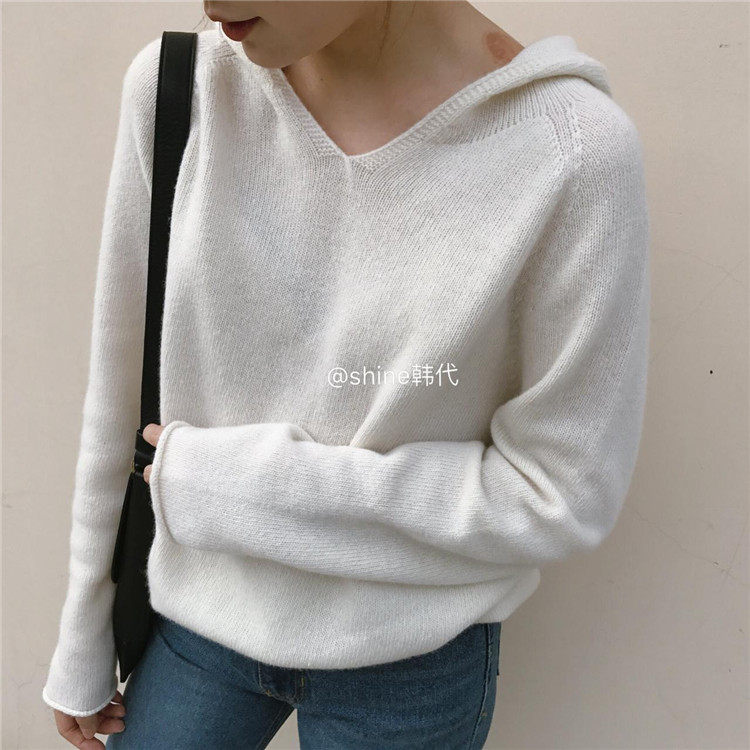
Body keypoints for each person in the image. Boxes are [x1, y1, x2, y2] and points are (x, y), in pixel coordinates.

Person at [42, 1, 651, 748]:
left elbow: (561, 494)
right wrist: (85, 630)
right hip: (200, 618)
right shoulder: (183, 90)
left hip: (412, 655)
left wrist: (232, 487)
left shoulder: (572, 152)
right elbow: (118, 396)